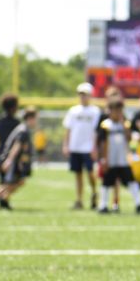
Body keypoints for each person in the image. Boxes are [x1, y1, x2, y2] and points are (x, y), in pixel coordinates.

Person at [97, 97, 140, 214]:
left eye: (120, 111)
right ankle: (103, 205)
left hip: (123, 159)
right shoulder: (106, 125)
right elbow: (102, 143)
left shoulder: (125, 124)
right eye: (116, 111)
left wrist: (126, 129)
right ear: (110, 111)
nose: (119, 113)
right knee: (106, 183)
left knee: (132, 181)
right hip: (111, 160)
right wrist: (104, 159)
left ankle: (138, 204)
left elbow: (129, 139)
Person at [0, 108, 37, 210]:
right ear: (30, 118)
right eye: (35, 119)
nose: (36, 121)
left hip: (15, 161)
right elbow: (17, 146)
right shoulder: (23, 130)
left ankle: (4, 199)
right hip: (12, 161)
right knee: (9, 183)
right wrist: (9, 160)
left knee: (19, 182)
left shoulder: (24, 129)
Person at [63, 82, 102, 210]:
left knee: (90, 173)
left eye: (85, 94)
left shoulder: (95, 111)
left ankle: (94, 193)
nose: (83, 97)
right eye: (81, 94)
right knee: (78, 174)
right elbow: (68, 129)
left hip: (88, 147)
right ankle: (79, 200)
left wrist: (94, 147)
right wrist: (66, 145)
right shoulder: (73, 111)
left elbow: (96, 131)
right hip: (75, 146)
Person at [0, 93, 21, 208]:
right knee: (12, 180)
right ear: (13, 107)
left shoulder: (0, 120)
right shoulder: (16, 122)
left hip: (0, 152)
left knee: (2, 178)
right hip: (11, 154)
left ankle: (2, 199)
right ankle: (2, 199)